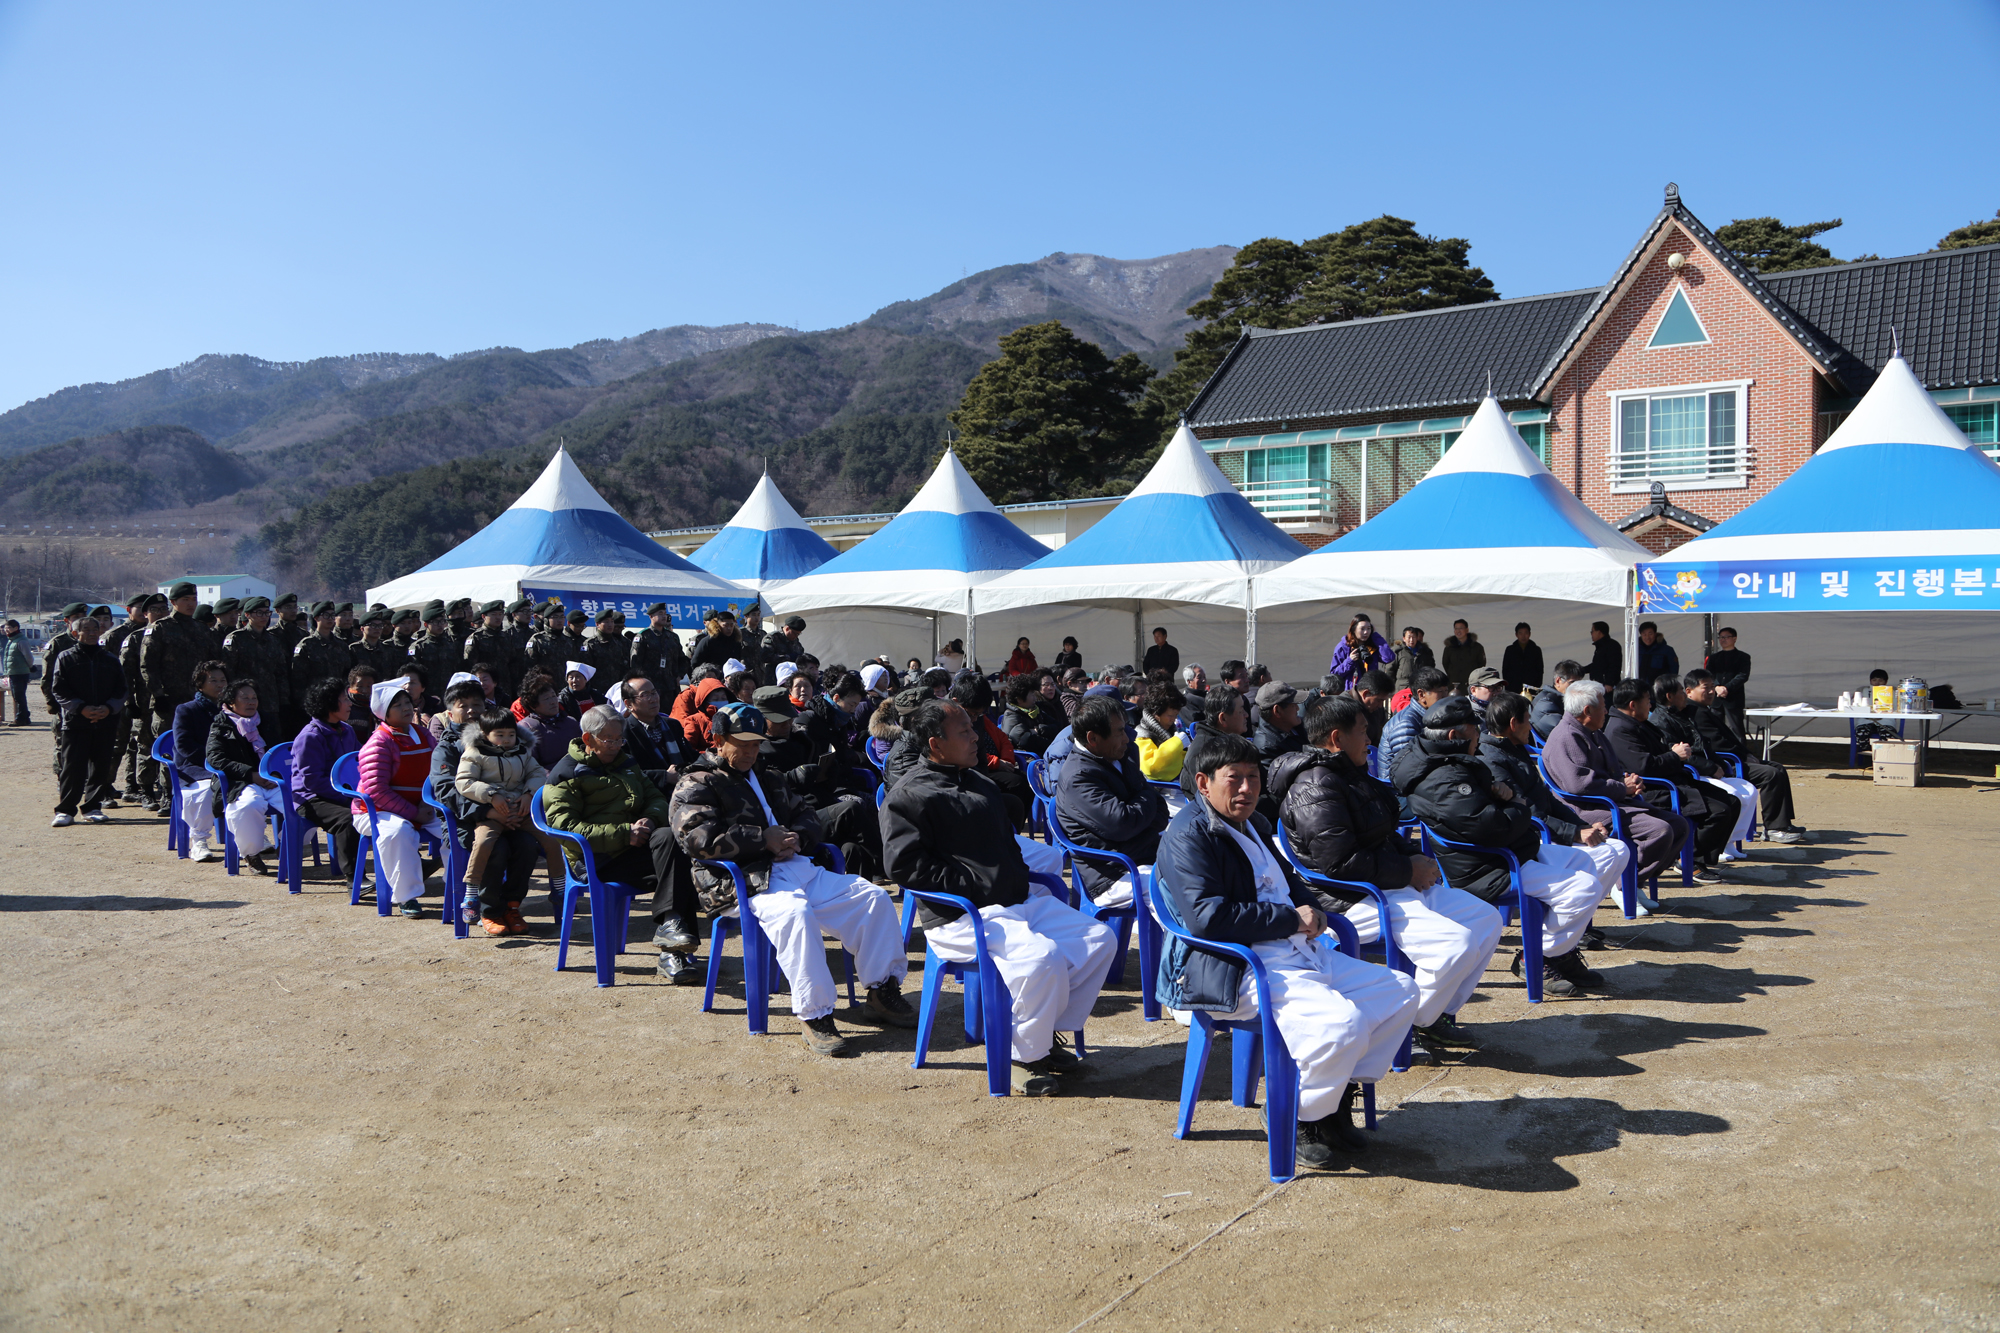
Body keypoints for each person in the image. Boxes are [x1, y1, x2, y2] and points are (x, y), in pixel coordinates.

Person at [1161, 729, 1419, 1165]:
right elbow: (1208, 918)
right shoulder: (1188, 835)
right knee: (1343, 1024)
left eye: (1253, 777)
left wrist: (1311, 909)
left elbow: (1290, 879)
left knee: (1399, 992)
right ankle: (1295, 1115)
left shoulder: (1255, 822)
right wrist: (1288, 919)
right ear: (1204, 783)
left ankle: (1330, 1099)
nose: (1246, 788)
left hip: (1294, 949)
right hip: (1236, 965)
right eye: (1233, 779)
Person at [883, 699, 1118, 1094]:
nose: (977, 737)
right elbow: (904, 868)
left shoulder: (978, 782)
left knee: (1098, 941)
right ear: (935, 743)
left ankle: (1043, 1036)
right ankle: (1024, 1056)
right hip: (960, 915)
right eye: (965, 733)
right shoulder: (909, 795)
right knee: (1041, 958)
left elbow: (1008, 848)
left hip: (1012, 902)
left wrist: (1012, 880)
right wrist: (976, 886)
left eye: (973, 729)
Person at [671, 703, 911, 1049]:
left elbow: (807, 813)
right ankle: (815, 1014)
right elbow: (696, 839)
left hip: (794, 868)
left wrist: (798, 837)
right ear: (718, 740)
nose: (751, 752)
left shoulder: (768, 777)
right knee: (794, 914)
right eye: (742, 744)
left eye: (756, 744)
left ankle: (881, 991)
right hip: (743, 881)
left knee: (870, 897)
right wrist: (761, 840)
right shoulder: (696, 782)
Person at [1274, 694, 1502, 1057]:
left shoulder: (1348, 773)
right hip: (1352, 897)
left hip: (1388, 883)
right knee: (1453, 945)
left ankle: (1435, 1015)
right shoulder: (1313, 786)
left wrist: (1414, 859)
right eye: (1363, 731)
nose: (1371, 740)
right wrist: (1408, 869)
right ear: (1336, 738)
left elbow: (1381, 834)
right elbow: (1339, 863)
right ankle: (1410, 1021)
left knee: (1485, 920)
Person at [1393, 696, 1625, 997]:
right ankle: (1538, 956)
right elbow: (1491, 828)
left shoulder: (1452, 761)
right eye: (1474, 730)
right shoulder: (1442, 777)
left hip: (1510, 850)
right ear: (1455, 736)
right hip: (1488, 865)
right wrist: (1517, 806)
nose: (1480, 734)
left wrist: (1504, 800)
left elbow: (1489, 813)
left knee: (1588, 863)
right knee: (1584, 889)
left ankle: (1558, 953)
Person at [543, 705, 703, 974]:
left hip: (633, 851)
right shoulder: (566, 774)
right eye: (610, 740)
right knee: (679, 866)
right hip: (596, 859)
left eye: (620, 739)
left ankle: (672, 935)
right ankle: (674, 953)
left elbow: (655, 797)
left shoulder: (624, 762)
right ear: (587, 739)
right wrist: (623, 833)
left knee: (671, 841)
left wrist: (650, 820)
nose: (617, 745)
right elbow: (565, 828)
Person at [1479, 692, 1631, 944]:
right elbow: (1525, 812)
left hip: (1546, 829)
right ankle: (1558, 934)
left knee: (1618, 849)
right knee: (1604, 855)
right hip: (1533, 836)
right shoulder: (1492, 758)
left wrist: (1582, 826)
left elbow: (1547, 799)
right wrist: (1573, 833)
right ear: (1514, 724)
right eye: (1528, 720)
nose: (1532, 726)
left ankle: (1574, 924)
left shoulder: (1515, 749)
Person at [1540, 680, 1690, 904]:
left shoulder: (1593, 731)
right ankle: (1623, 884)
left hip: (1611, 801)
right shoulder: (1566, 737)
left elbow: (1613, 772)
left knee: (1679, 825)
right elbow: (1580, 785)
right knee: (1659, 831)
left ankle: (1633, 881)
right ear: (1587, 711)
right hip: (1585, 808)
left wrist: (1629, 782)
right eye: (1602, 706)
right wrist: (1622, 788)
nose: (1607, 710)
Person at [1602, 679, 1738, 880]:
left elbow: (1658, 752)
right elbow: (1643, 767)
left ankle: (1698, 859)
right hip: (1654, 789)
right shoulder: (1619, 729)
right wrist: (1675, 756)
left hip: (1673, 779)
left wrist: (1674, 752)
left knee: (1731, 801)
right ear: (1633, 705)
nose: (1650, 705)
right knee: (1719, 810)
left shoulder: (1636, 723)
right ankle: (1689, 861)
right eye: (1647, 700)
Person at [1055, 696, 1170, 907]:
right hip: (1114, 873)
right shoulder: (1078, 777)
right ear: (1093, 739)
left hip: (1143, 853)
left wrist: (1142, 807)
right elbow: (1124, 824)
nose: (1127, 738)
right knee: (1181, 894)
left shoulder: (1122, 754)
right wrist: (1145, 797)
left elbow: (1159, 810)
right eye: (1119, 731)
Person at [453, 705, 551, 937]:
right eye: (500, 735)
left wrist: (528, 794)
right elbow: (462, 783)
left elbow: (537, 774)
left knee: (528, 847)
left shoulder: (521, 751)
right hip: (483, 816)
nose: (507, 740)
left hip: (517, 815)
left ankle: (512, 906)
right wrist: (491, 797)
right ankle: (487, 909)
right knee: (496, 848)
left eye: (511, 734)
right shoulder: (473, 752)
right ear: (485, 733)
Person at [1682, 668, 1806, 844]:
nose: (1711, 691)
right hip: (1724, 764)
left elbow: (1729, 738)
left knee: (1777, 767)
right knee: (1771, 774)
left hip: (1735, 758)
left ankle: (1783, 823)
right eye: (1705, 687)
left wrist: (1747, 754)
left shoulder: (1704, 709)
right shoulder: (1695, 713)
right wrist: (1744, 756)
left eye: (1712, 686)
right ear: (1689, 691)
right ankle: (1773, 829)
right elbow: (1718, 744)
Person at [352, 677, 441, 917]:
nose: (405, 708)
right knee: (398, 832)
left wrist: (427, 802)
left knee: (457, 829)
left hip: (422, 806)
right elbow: (376, 792)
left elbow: (438, 771)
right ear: (384, 713)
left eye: (407, 702)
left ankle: (465, 889)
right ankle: (406, 896)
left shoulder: (423, 734)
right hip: (376, 811)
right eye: (397, 705)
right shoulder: (379, 743)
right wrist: (414, 813)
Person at [1651, 674, 1758, 860]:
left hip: (1706, 769)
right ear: (1670, 697)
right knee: (1732, 796)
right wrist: (1710, 767)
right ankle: (1709, 850)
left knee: (1749, 790)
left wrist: (1719, 763)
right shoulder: (1662, 721)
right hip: (1693, 773)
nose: (1685, 695)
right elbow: (1681, 756)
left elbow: (1704, 745)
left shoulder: (1683, 713)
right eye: (1681, 692)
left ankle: (1729, 842)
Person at [49, 614, 126, 826]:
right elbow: (58, 689)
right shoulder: (65, 657)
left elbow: (122, 690)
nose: (92, 633)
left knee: (101, 766)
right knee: (73, 767)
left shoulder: (110, 659)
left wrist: (108, 708)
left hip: (105, 721)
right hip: (75, 722)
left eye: (95, 629)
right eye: (86, 630)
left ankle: (93, 807)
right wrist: (80, 708)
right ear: (75, 634)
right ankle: (65, 810)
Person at [205, 678, 281, 874]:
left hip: (271, 780)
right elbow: (216, 759)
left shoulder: (267, 720)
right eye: (244, 698)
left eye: (254, 698)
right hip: (239, 782)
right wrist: (250, 774)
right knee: (249, 805)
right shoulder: (221, 724)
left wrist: (274, 775)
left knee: (300, 803)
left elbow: (282, 751)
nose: (251, 702)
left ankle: (290, 847)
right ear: (231, 702)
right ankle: (251, 854)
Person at [291, 676, 363, 877]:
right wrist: (348, 797)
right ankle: (355, 878)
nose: (350, 703)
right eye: (345, 699)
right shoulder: (310, 737)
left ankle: (413, 869)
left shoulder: (346, 730)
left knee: (384, 810)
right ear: (330, 703)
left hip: (343, 793)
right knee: (349, 819)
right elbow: (313, 781)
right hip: (311, 798)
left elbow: (360, 761)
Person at [171, 661, 230, 862]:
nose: (220, 684)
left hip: (227, 765)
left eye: (223, 680)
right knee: (209, 789)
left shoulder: (232, 709)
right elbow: (184, 746)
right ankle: (199, 840)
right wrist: (215, 763)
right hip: (194, 767)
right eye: (213, 680)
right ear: (200, 684)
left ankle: (251, 836)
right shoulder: (186, 710)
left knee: (249, 786)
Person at [224, 597, 288, 740]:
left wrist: (284, 701)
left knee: (271, 741)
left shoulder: (273, 640)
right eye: (259, 613)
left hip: (270, 702)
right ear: (247, 615)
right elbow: (229, 672)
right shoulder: (236, 639)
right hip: (244, 703)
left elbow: (280, 673)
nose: (264, 617)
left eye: (267, 613)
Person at [1179, 684, 1250, 803]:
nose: (1246, 715)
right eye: (1241, 711)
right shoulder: (1203, 753)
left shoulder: (1231, 741)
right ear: (1223, 719)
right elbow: (1216, 802)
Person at [290, 602, 352, 733]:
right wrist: (305, 704)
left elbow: (346, 674)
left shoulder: (341, 646)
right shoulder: (306, 645)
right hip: (315, 703)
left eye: (332, 615)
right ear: (316, 618)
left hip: (337, 702)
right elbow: (298, 679)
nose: (330, 619)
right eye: (326, 615)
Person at [1379, 666, 1450, 778]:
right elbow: (1408, 767)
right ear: (1421, 694)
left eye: (1446, 691)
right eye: (1440, 691)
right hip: (1399, 789)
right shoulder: (1406, 724)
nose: (1446, 697)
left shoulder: (1428, 716)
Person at [518, 671, 582, 769]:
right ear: (533, 704)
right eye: (546, 699)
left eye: (553, 696)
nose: (553, 702)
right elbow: (530, 767)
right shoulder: (526, 728)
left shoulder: (571, 722)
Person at [1135, 680, 1188, 790]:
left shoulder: (1171, 731)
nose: (1173, 720)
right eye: (1170, 715)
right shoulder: (1141, 735)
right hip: (1156, 793)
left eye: (1176, 715)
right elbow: (1152, 768)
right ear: (1156, 712)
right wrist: (1178, 743)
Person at [999, 672, 1064, 756]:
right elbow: (1026, 740)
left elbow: (1058, 726)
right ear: (1019, 699)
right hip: (1026, 760)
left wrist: (1039, 730)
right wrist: (1053, 744)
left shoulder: (1035, 711)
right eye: (1032, 694)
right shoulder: (1011, 716)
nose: (1035, 697)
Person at [633, 603, 690, 699]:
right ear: (651, 616)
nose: (664, 616)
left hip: (671, 687)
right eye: (660, 614)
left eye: (665, 613)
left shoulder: (672, 637)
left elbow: (683, 660)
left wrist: (679, 676)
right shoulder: (643, 637)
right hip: (651, 688)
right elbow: (635, 664)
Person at [1704, 627, 1751, 737]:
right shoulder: (1714, 657)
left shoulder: (1743, 657)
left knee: (1737, 728)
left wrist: (1726, 688)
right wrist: (1716, 687)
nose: (1723, 640)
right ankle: (1717, 752)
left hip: (1733, 697)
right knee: (1715, 727)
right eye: (1721, 637)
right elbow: (1709, 674)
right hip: (1716, 698)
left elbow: (1743, 675)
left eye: (1726, 637)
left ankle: (1740, 753)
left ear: (1734, 638)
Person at [1328, 615, 1393, 690]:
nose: (1366, 632)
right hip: (1350, 694)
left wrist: (1375, 636)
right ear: (1353, 629)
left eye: (1369, 629)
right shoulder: (1343, 647)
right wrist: (1350, 661)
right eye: (1362, 629)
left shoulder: (1373, 645)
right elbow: (1334, 675)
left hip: (1370, 692)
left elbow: (1389, 658)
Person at [1251, 681, 1304, 763]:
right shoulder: (1267, 748)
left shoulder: (1296, 726)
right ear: (1277, 711)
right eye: (1293, 705)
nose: (1298, 708)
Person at [1532, 659, 1585, 741]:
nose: (1577, 687)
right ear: (1558, 681)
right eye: (1573, 683)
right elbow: (1563, 730)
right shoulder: (1546, 701)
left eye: (1579, 684)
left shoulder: (1557, 698)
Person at [3, 619, 34, 725]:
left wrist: (30, 667)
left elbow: (28, 657)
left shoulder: (21, 640)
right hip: (14, 672)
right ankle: (25, 717)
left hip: (20, 673)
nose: (6, 630)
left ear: (16, 628)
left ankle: (21, 718)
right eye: (5, 628)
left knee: (19, 696)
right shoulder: (12, 640)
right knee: (18, 696)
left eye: (8, 628)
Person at [1388, 627, 1435, 695]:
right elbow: (1390, 670)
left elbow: (1431, 668)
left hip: (1421, 687)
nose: (1411, 640)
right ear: (1404, 638)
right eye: (1409, 637)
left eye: (1414, 637)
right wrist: (1392, 686)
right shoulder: (1397, 651)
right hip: (1402, 688)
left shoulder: (1425, 651)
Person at [762, 615, 807, 686]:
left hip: (791, 680)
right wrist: (787, 658)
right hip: (773, 679)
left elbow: (800, 653)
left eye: (798, 634)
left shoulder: (795, 641)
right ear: (787, 628)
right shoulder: (772, 638)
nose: (796, 636)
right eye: (795, 633)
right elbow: (765, 656)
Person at [1440, 620, 1485, 687]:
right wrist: (1453, 674)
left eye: (1461, 628)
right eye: (1456, 628)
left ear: (1467, 630)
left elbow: (1481, 663)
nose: (1458, 631)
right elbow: (1445, 663)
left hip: (1471, 683)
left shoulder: (1477, 647)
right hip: (1454, 683)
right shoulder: (1449, 647)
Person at [1503, 622, 1544, 689]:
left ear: (1529, 634)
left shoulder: (1536, 650)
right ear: (1516, 635)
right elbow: (1505, 669)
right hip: (1513, 687)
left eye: (1526, 633)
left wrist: (1537, 685)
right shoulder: (1510, 650)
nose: (1523, 636)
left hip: (1531, 687)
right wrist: (1508, 684)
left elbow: (1540, 669)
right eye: (1520, 633)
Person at [1586, 621, 1622, 689]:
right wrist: (1582, 670)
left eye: (1592, 631)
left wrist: (1609, 683)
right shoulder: (1600, 646)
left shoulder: (1612, 645)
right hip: (1599, 685)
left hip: (1607, 686)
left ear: (1599, 632)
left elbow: (1614, 665)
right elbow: (1597, 664)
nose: (1591, 634)